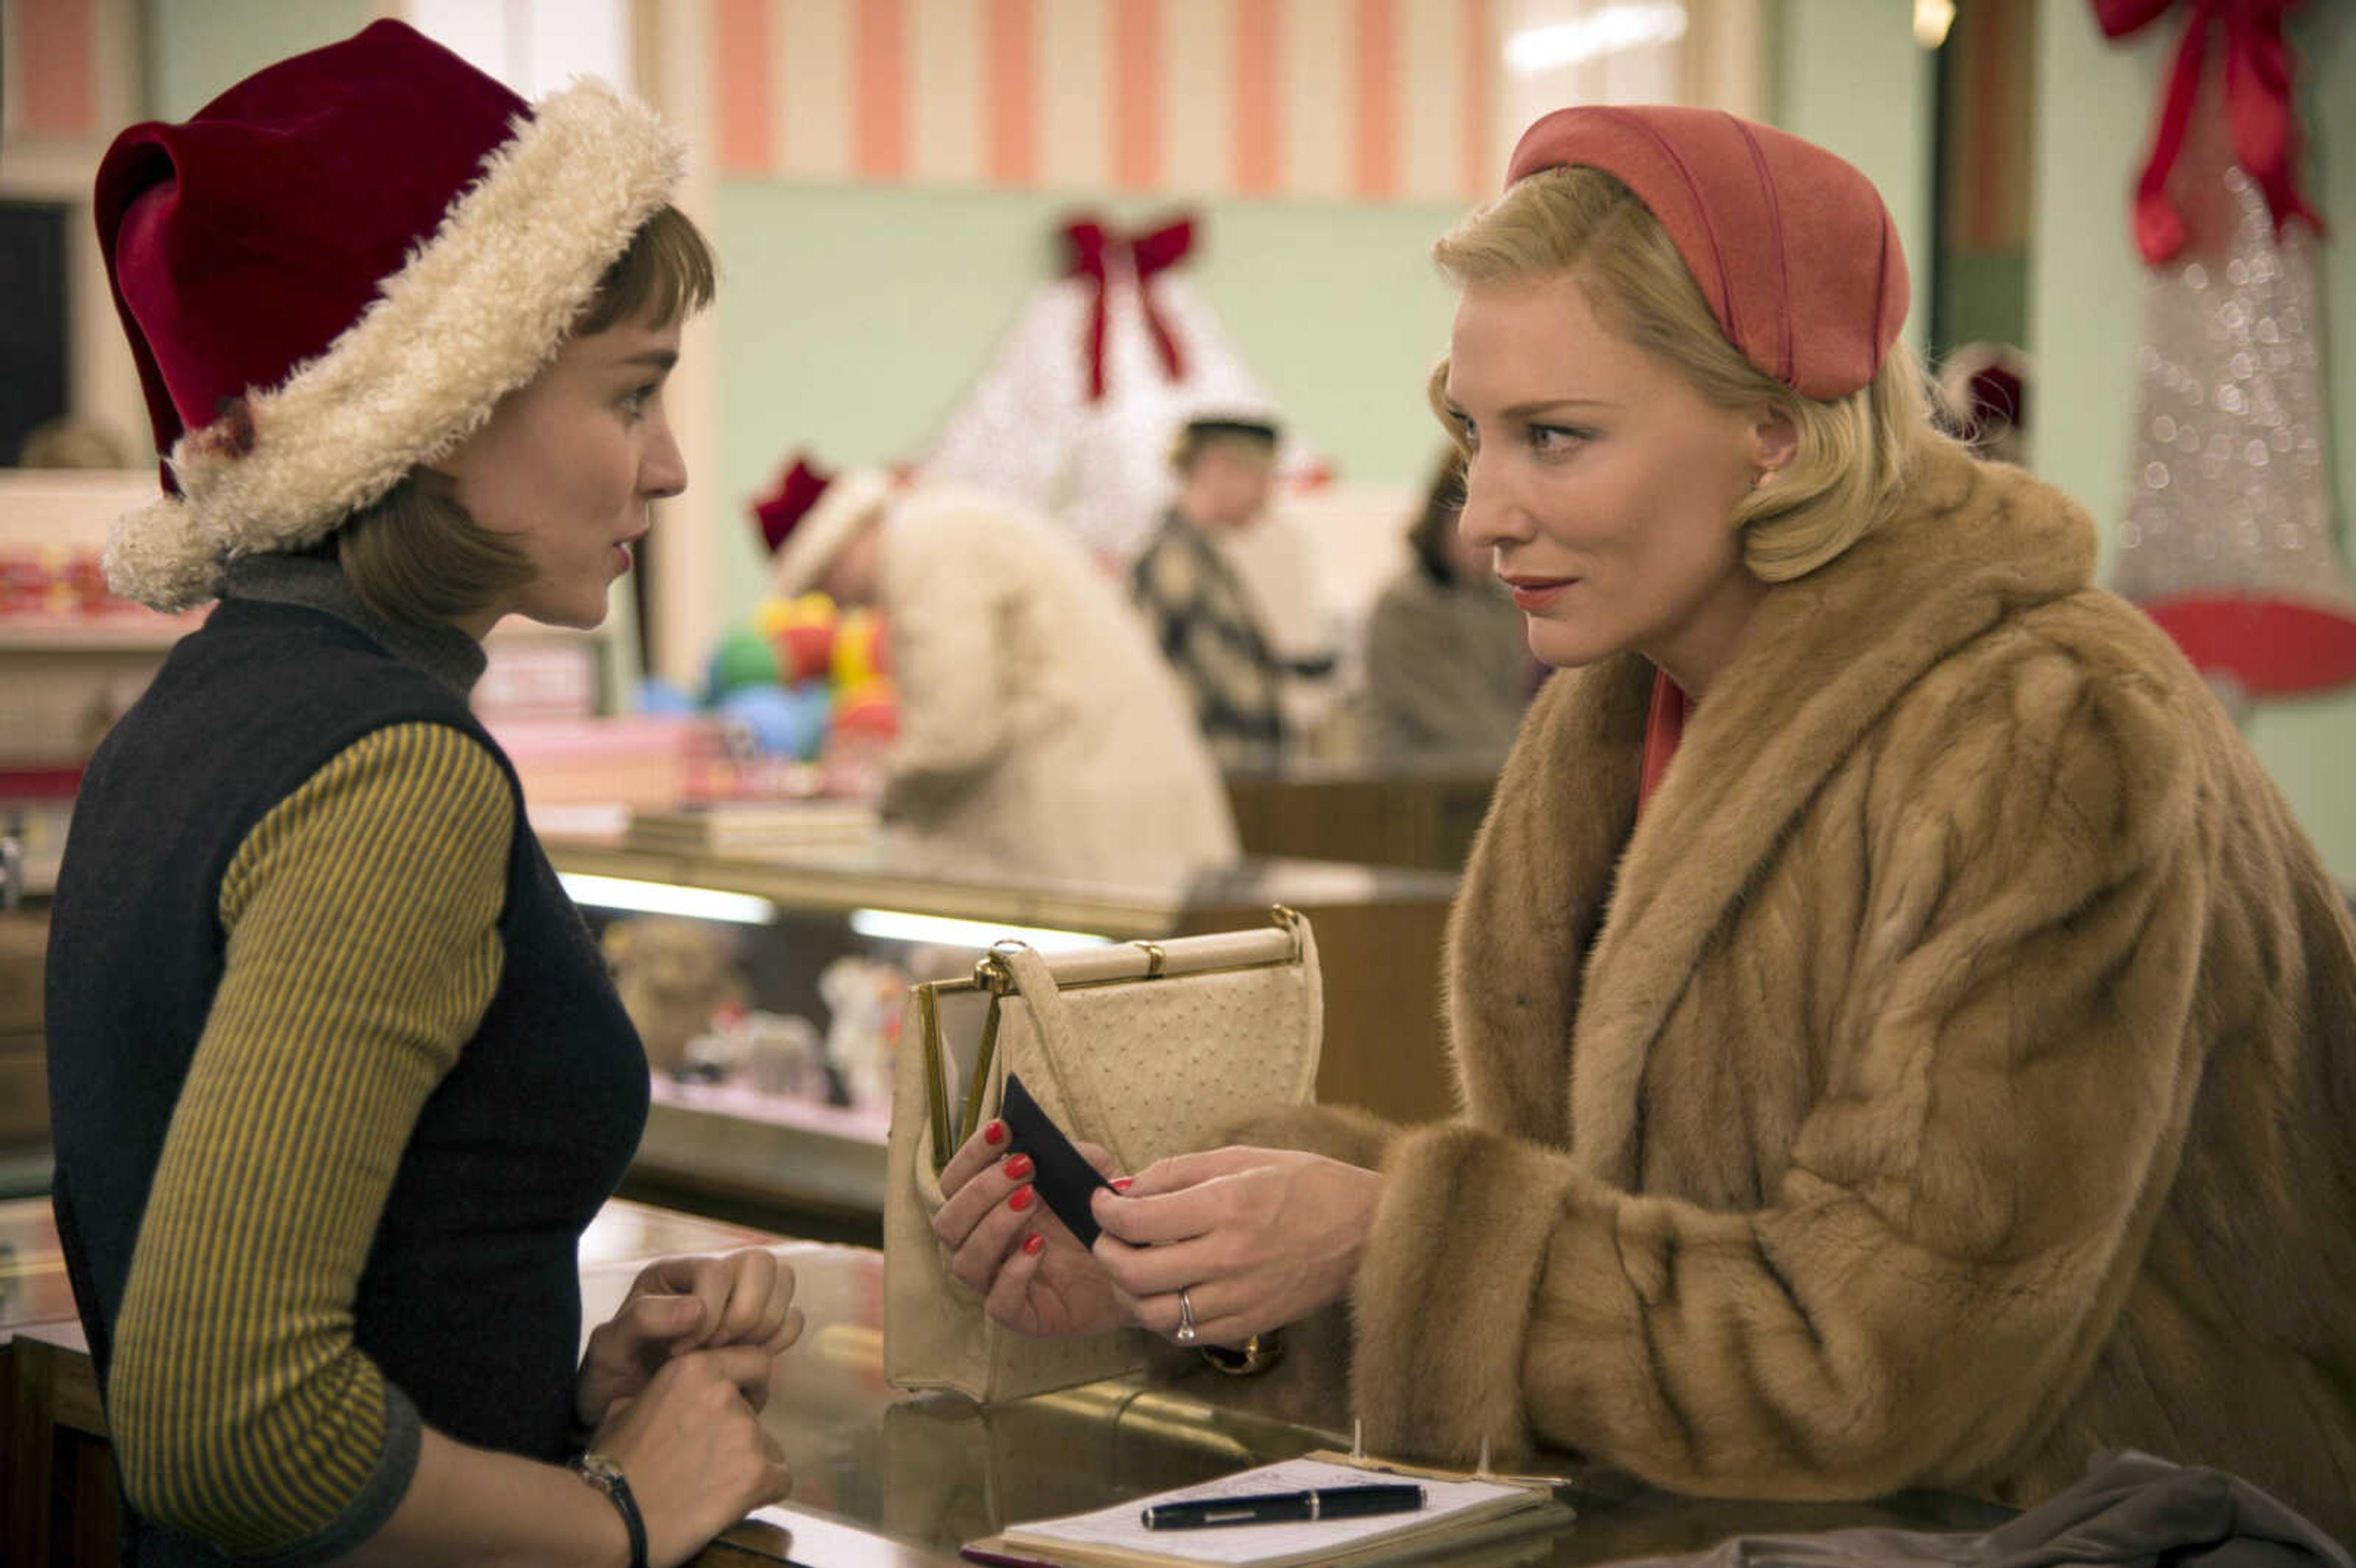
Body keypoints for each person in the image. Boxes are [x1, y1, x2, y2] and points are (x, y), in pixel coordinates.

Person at [929, 104, 2356, 1537]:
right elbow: (1625, 1271)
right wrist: (1194, 1273)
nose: (1482, 513)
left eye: (1554, 438)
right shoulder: (1621, 707)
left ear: (1776, 438)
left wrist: (1384, 1234)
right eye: (1471, 436)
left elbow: (1886, 1366)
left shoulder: (2047, 730)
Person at [47, 23, 799, 1567]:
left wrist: (570, 1394)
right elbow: (227, 1422)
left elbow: (333, 1292)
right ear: (441, 412)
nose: (664, 467)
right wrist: (619, 1517)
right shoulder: (392, 777)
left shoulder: (199, 713)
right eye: (630, 394)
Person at [756, 455, 1239, 883]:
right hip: (1119, 808)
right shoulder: (945, 525)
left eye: (823, 584)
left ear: (838, 544)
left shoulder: (922, 551)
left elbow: (957, 733)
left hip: (1091, 826)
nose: (838, 607)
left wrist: (875, 788)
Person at [1130, 414, 1327, 768]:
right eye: (1262, 476)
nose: (1268, 496)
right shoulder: (1173, 562)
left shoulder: (1201, 558)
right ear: (1217, 467)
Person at [1360, 449, 1535, 761]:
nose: (1482, 540)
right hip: (1413, 786)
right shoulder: (1404, 607)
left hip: (1481, 775)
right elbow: (1455, 718)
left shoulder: (1502, 603)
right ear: (1439, 520)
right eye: (1464, 517)